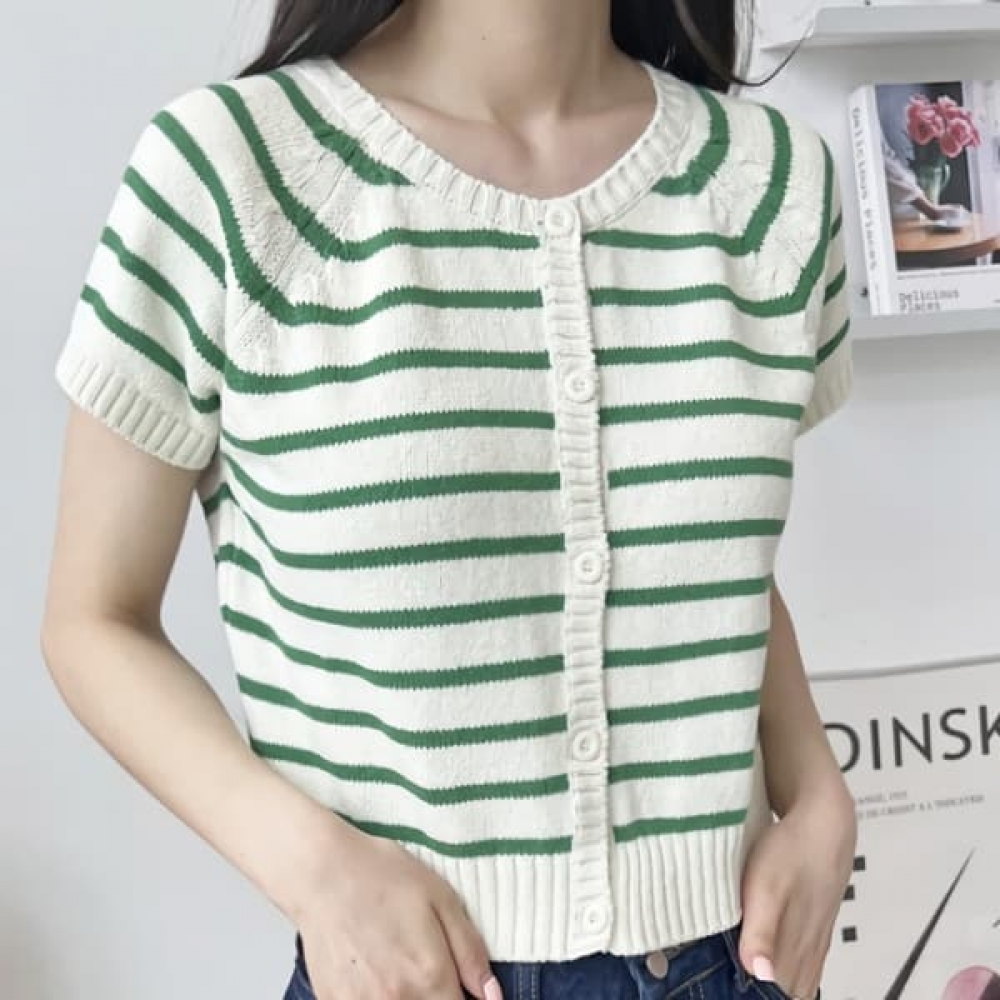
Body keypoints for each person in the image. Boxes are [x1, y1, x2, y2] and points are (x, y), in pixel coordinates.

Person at [40, 2, 857, 999]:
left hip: (737, 960)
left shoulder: (773, 181)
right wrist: (315, 870)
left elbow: (708, 568)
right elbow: (93, 622)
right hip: (417, 975)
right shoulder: (234, 173)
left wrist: (817, 794)